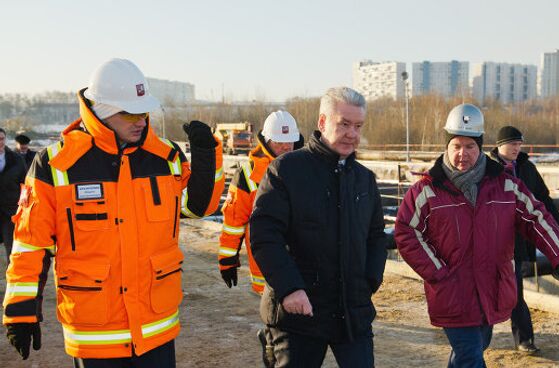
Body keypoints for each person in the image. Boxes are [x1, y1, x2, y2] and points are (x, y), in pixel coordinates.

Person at [2, 58, 225, 367]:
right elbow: (30, 243)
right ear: (103, 110)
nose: (141, 121)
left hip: (154, 328)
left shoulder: (165, 158)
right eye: (129, 113)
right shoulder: (55, 165)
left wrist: (207, 158)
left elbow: (197, 207)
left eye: (144, 111)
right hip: (95, 333)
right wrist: (20, 308)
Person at [394, 103, 559, 368]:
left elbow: (536, 217)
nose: (462, 154)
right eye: (456, 146)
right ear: (446, 146)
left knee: (471, 351)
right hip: (452, 291)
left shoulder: (505, 185)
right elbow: (406, 233)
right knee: (470, 356)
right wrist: (438, 273)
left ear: (480, 146)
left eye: (469, 146)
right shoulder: (427, 189)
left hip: (491, 289)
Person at [249, 87, 387, 368]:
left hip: (352, 312)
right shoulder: (286, 170)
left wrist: (369, 282)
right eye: (344, 124)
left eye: (358, 126)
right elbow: (265, 235)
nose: (352, 133)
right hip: (298, 313)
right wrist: (290, 289)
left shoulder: (364, 180)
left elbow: (375, 237)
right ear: (322, 122)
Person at [488, 125, 559, 354]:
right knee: (484, 289)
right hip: (491, 240)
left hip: (518, 241)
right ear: (500, 144)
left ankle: (524, 339)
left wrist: (558, 223)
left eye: (519, 144)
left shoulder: (527, 168)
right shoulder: (486, 169)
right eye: (513, 143)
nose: (517, 148)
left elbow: (542, 198)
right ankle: (474, 334)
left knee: (515, 289)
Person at [218, 110, 302, 295]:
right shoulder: (248, 174)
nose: (286, 147)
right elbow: (234, 221)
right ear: (266, 141)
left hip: (304, 268)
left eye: (290, 141)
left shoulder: (306, 168)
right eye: (279, 142)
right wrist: (228, 258)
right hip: (266, 271)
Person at [0, 128, 27, 264]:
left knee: (11, 246)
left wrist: (23, 205)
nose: (0, 142)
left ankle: (12, 278)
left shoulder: (16, 159)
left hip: (10, 211)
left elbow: (26, 183)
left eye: (2, 139)